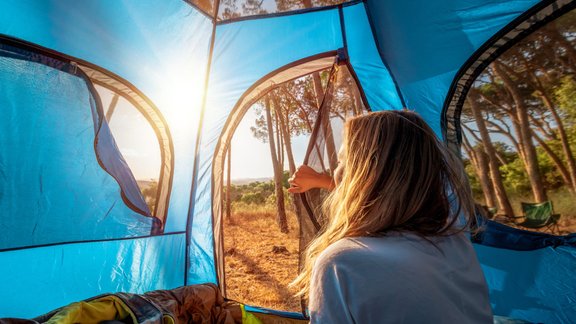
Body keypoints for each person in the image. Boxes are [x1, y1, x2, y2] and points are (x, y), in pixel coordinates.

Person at [288, 111, 493, 323]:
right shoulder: (453, 233)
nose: (337, 172)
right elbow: (403, 183)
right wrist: (322, 180)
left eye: (342, 162)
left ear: (366, 175)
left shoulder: (343, 263)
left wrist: (322, 180)